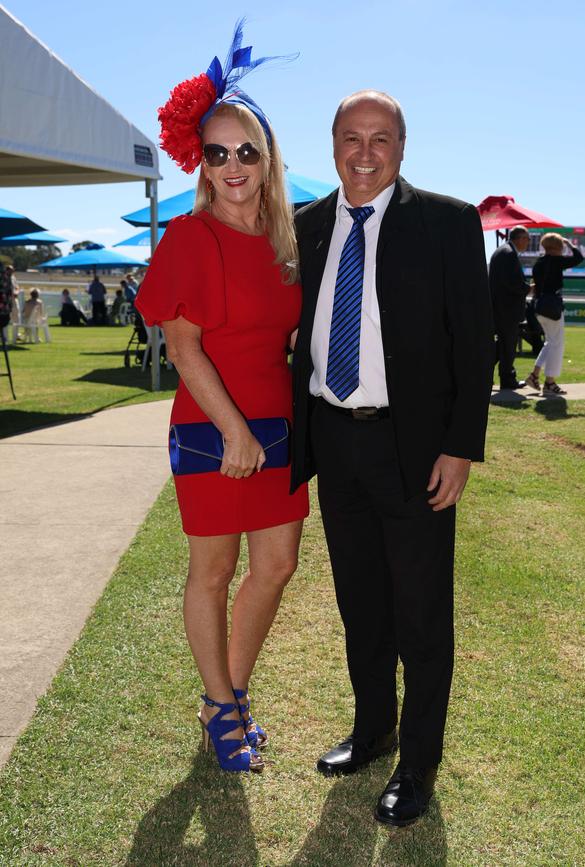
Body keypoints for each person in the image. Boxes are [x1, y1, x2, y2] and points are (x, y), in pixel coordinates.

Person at [291, 90, 493, 826]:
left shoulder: (445, 222)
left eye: (381, 138)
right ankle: (374, 730)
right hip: (334, 440)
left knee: (420, 615)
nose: (365, 152)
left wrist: (460, 447)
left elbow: (475, 345)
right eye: (352, 137)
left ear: (402, 147)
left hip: (413, 448)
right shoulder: (307, 227)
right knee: (361, 604)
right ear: (333, 145)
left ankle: (418, 763)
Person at [135, 22, 307, 774]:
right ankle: (221, 702)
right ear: (200, 163)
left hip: (279, 427)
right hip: (213, 427)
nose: (233, 165)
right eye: (217, 152)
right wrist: (235, 430)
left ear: (267, 160)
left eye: (247, 151)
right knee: (213, 569)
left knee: (277, 564)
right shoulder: (190, 237)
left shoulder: (286, 240)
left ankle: (228, 695)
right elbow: (182, 346)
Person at [525, 233, 583, 395]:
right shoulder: (556, 261)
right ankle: (550, 383)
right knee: (557, 344)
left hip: (538, 306)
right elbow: (578, 258)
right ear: (558, 247)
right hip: (552, 307)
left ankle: (534, 375)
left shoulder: (539, 263)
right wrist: (570, 244)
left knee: (550, 343)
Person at [489, 225, 530, 389]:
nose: (528, 243)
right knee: (507, 346)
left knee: (502, 346)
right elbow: (511, 283)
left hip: (502, 308)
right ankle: (507, 379)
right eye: (527, 239)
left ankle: (484, 371)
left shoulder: (504, 251)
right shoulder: (508, 253)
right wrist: (528, 288)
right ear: (519, 238)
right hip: (506, 309)